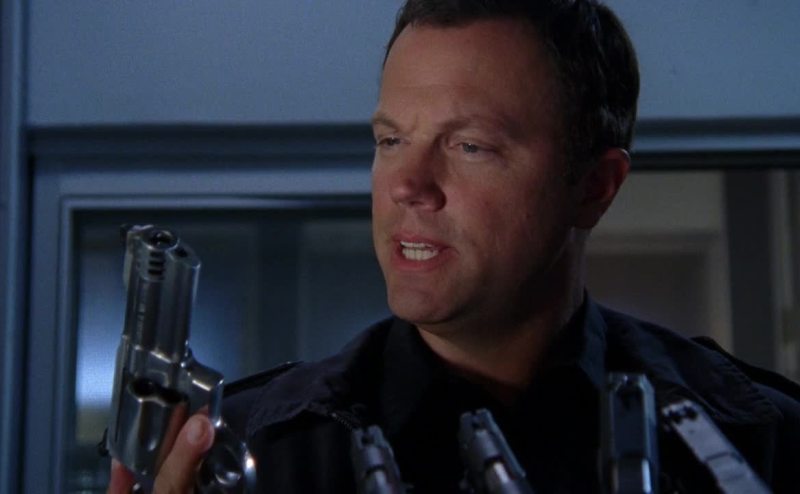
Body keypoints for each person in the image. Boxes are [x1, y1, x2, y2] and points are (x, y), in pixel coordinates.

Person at [108, 0, 800, 492]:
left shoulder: (760, 440)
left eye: (470, 146)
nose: (406, 186)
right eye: (390, 140)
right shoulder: (249, 450)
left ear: (595, 187)